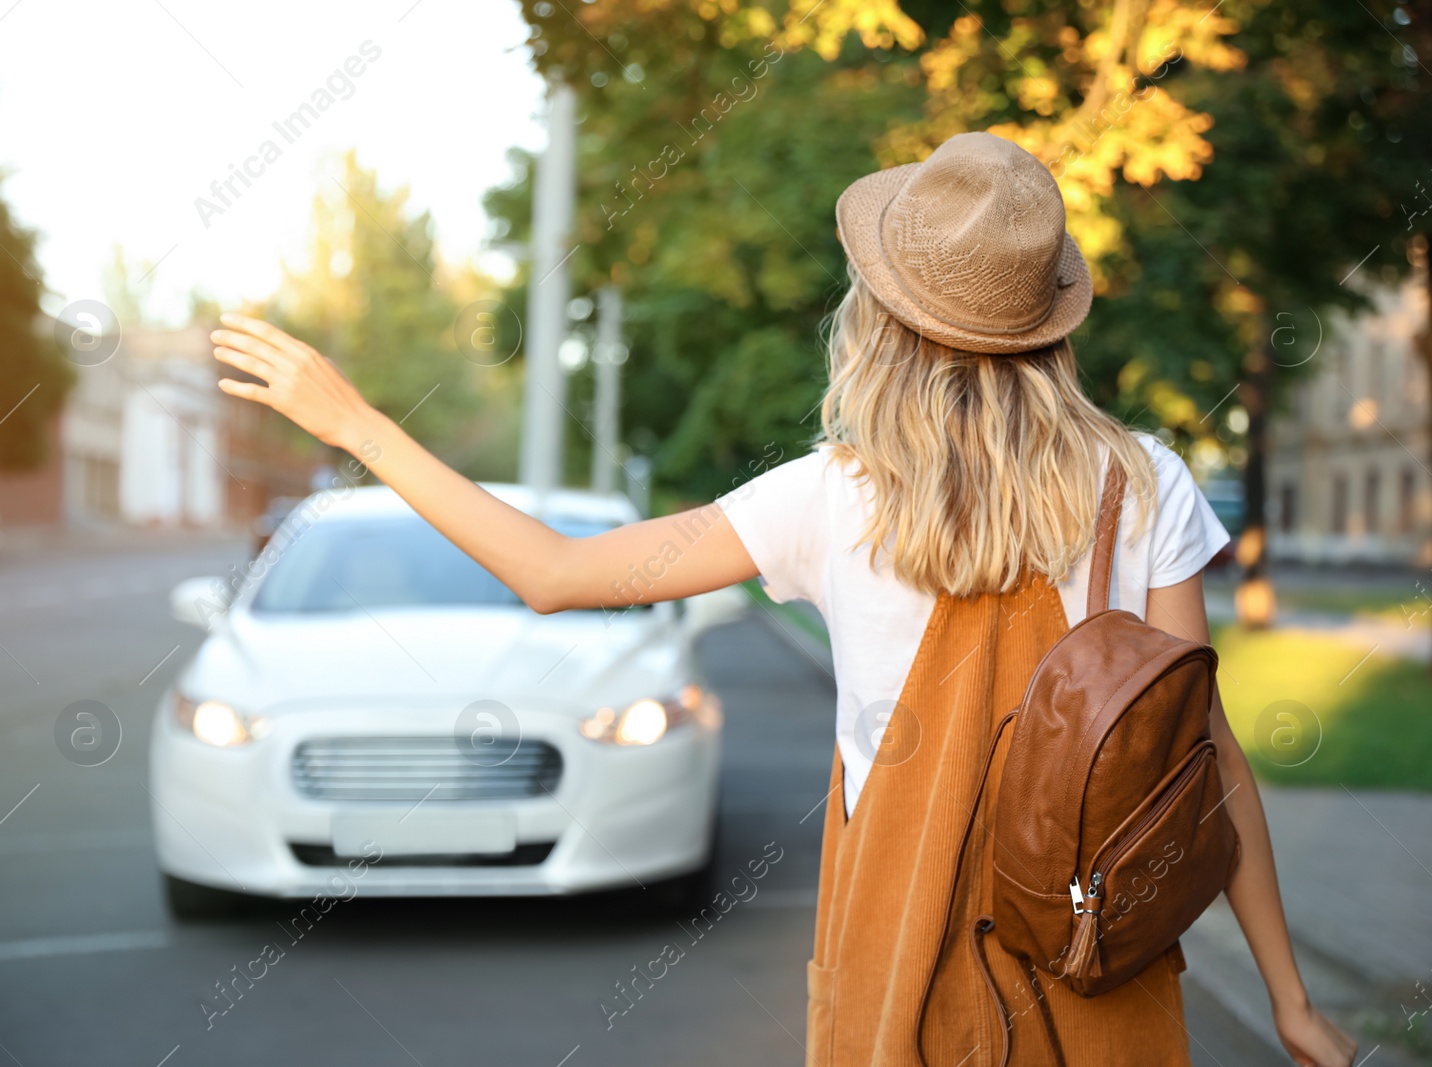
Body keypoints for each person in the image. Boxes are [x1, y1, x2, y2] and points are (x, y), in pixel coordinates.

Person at [210, 131, 1356, 1067]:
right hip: (1096, 958)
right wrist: (1287, 994)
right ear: (1046, 320)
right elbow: (1201, 759)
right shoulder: (1141, 481)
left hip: (896, 957)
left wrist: (358, 423)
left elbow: (552, 574)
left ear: (883, 318)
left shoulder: (826, 499)